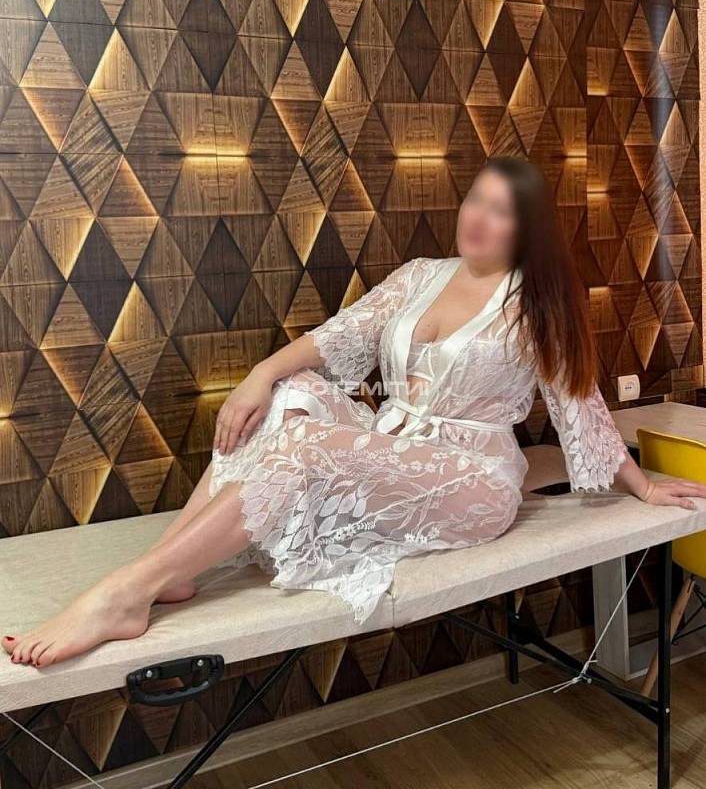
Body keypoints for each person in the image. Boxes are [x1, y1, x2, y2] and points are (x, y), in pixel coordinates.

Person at [4, 156, 706, 668]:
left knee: (308, 446)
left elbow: (581, 406)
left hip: (472, 478)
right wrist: (258, 376)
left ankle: (129, 591)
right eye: (475, 199)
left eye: (500, 210)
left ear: (527, 230)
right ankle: (170, 567)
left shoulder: (538, 303)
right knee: (291, 395)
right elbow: (335, 339)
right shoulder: (420, 275)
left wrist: (643, 486)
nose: (477, 217)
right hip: (394, 445)